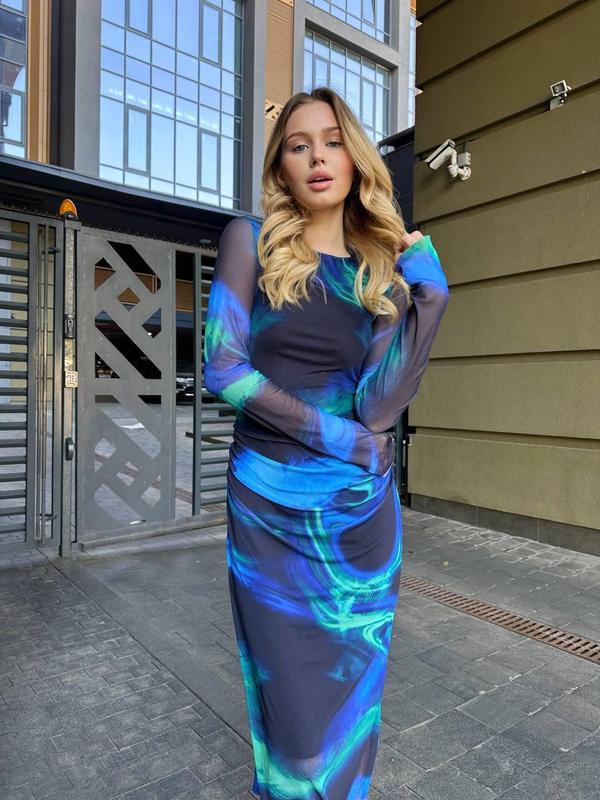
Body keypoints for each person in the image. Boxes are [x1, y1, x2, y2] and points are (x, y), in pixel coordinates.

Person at [203, 86, 449, 800]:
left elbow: (379, 408)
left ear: (355, 158)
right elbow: (223, 367)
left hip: (358, 522)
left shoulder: (378, 273)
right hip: (270, 513)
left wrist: (429, 305)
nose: (317, 157)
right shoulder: (249, 240)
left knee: (348, 715)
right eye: (299, 144)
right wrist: (338, 436)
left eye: (333, 141)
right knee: (294, 725)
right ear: (281, 167)